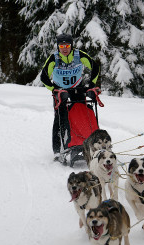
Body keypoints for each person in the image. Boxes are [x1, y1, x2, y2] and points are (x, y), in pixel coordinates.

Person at [41, 33, 100, 161]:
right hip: (60, 92)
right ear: (58, 47)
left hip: (77, 89)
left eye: (67, 45)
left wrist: (91, 85)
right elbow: (44, 77)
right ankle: (57, 150)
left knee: (81, 114)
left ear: (71, 46)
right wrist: (54, 89)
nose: (64, 48)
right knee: (60, 118)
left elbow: (95, 66)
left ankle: (82, 141)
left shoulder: (79, 55)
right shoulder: (54, 58)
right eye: (61, 46)